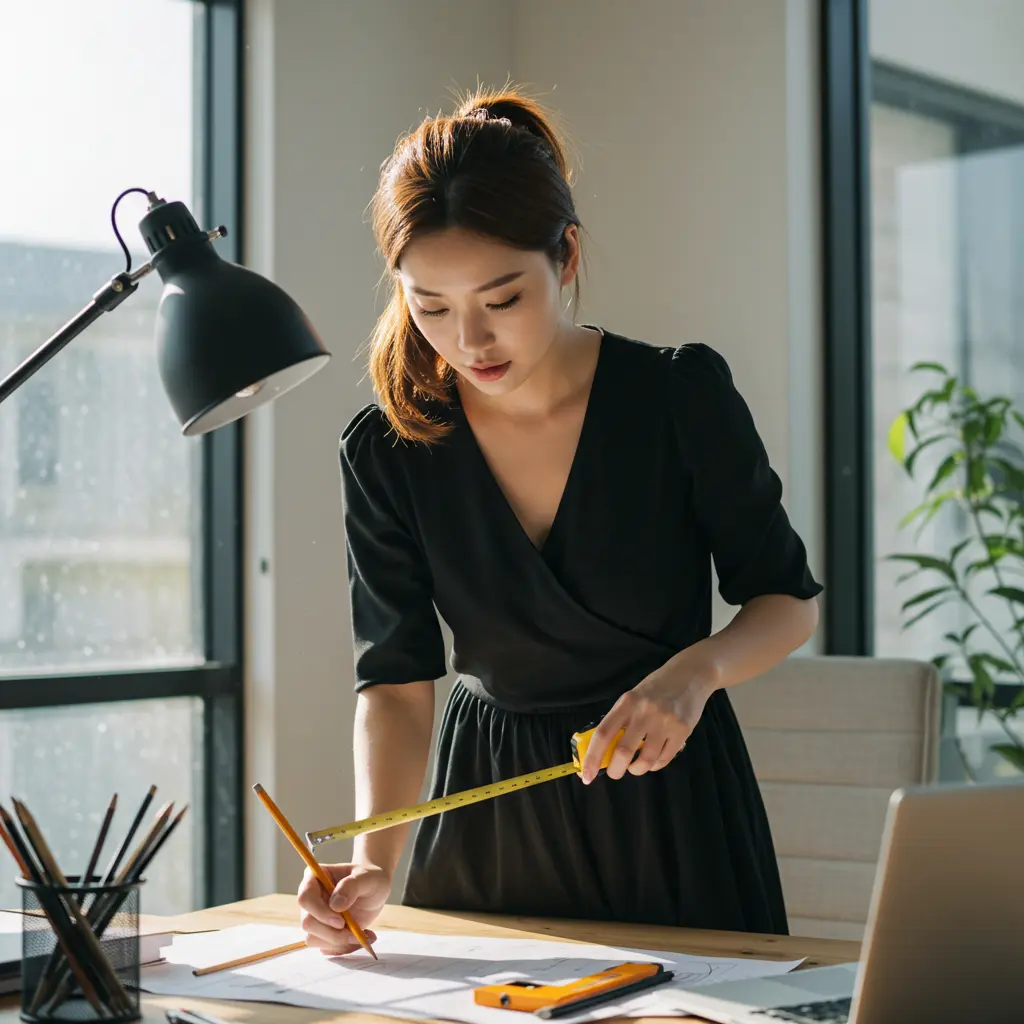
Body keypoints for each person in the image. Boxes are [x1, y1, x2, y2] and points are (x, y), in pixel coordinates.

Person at [297, 86, 822, 956]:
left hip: (675, 807)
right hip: (489, 814)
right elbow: (393, 679)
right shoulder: (389, 451)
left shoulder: (678, 400)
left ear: (567, 254)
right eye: (431, 306)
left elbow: (786, 600)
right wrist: (374, 860)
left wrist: (694, 675)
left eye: (502, 299)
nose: (470, 340)